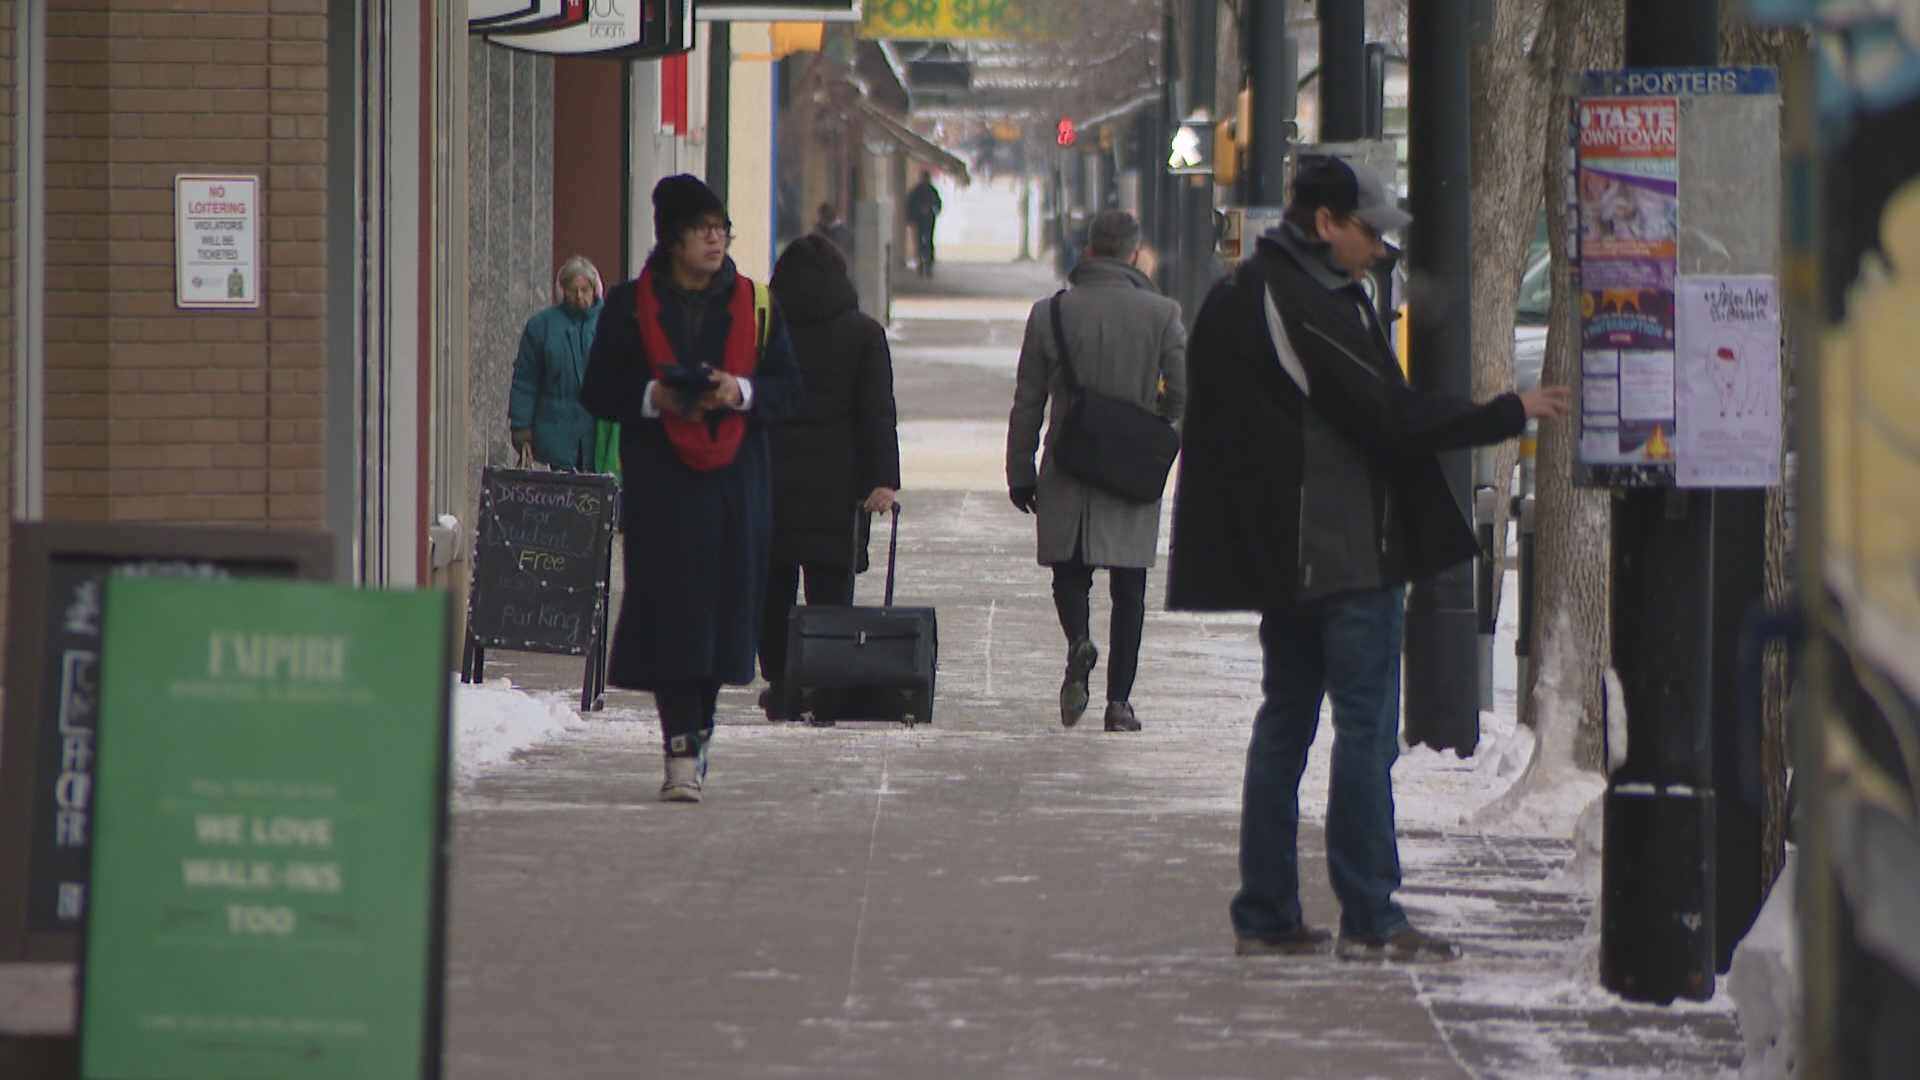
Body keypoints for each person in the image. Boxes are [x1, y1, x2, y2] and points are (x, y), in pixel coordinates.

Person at [1166, 157, 1571, 961]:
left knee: (1284, 724)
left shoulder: (1244, 294)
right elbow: (1388, 415)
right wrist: (1505, 411)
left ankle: (1268, 912)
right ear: (1325, 224)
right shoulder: (1304, 301)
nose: (1383, 249)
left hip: (1287, 557)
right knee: (1363, 732)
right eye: (1371, 231)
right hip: (1344, 553)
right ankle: (1371, 918)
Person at [578, 174, 804, 804]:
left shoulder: (758, 305)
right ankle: (679, 744)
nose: (715, 238)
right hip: (663, 487)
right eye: (703, 228)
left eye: (721, 228)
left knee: (722, 616)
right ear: (672, 237)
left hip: (737, 487)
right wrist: (655, 395)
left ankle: (697, 730)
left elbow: (791, 389)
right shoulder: (628, 305)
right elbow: (598, 390)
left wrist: (742, 391)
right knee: (671, 615)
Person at [1007, 209, 1186, 733]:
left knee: (1071, 569)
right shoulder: (1163, 314)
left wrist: (1020, 469)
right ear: (1135, 254)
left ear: (1088, 251)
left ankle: (1079, 641)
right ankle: (1119, 704)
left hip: (1069, 460)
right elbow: (1182, 392)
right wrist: (1155, 430)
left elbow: (1027, 402)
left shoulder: (1050, 314)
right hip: (1131, 467)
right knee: (1130, 588)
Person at [758, 235, 902, 718]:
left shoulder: (763, 330)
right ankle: (825, 689)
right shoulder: (863, 333)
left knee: (772, 594)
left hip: (769, 482)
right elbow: (877, 414)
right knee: (830, 595)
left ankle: (782, 686)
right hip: (837, 491)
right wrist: (884, 479)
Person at [510, 256, 607, 471]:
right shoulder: (542, 326)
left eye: (585, 289)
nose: (579, 296)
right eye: (573, 290)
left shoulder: (611, 322)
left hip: (601, 433)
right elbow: (526, 379)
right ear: (562, 291)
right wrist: (521, 425)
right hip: (557, 431)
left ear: (595, 289)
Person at [905, 170, 943, 276]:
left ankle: (926, 264)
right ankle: (923, 264)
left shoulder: (927, 190)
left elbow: (938, 204)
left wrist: (932, 210)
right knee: (923, 242)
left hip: (927, 220)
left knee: (926, 242)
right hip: (923, 220)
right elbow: (911, 205)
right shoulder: (924, 190)